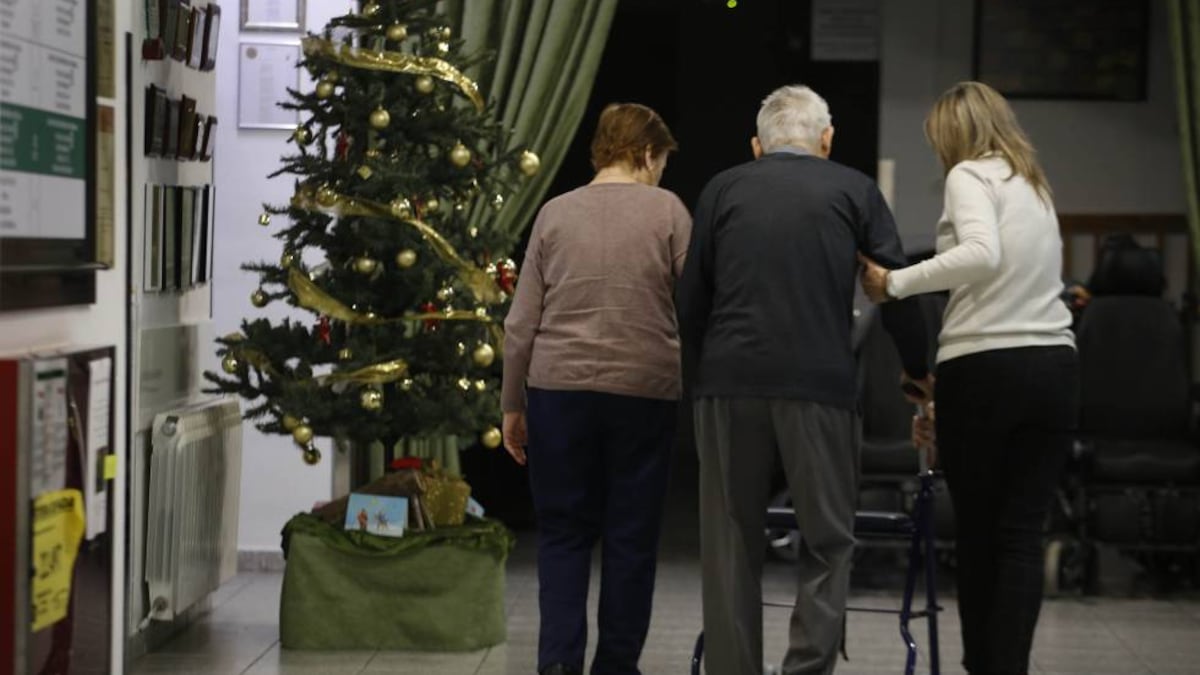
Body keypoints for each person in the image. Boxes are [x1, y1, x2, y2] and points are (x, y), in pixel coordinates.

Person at [677, 84, 931, 675]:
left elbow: (690, 298)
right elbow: (894, 288)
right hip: (818, 385)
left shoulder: (723, 188)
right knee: (828, 540)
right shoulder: (853, 189)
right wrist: (917, 369)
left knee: (730, 542)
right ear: (826, 138)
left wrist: (706, 368)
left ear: (757, 146)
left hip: (728, 381)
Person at [859, 81, 1078, 675]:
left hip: (987, 368)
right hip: (1054, 365)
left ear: (953, 133)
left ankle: (982, 665)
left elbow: (982, 255)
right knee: (1021, 535)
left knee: (980, 535)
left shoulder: (969, 176)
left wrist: (894, 283)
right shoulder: (1033, 184)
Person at [501, 102, 691, 675]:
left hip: (559, 391)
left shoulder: (555, 214)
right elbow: (697, 303)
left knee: (562, 535)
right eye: (661, 160)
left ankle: (558, 665)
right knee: (631, 539)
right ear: (645, 153)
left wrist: (513, 404)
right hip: (645, 390)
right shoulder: (669, 212)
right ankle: (616, 666)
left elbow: (519, 325)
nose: (661, 172)